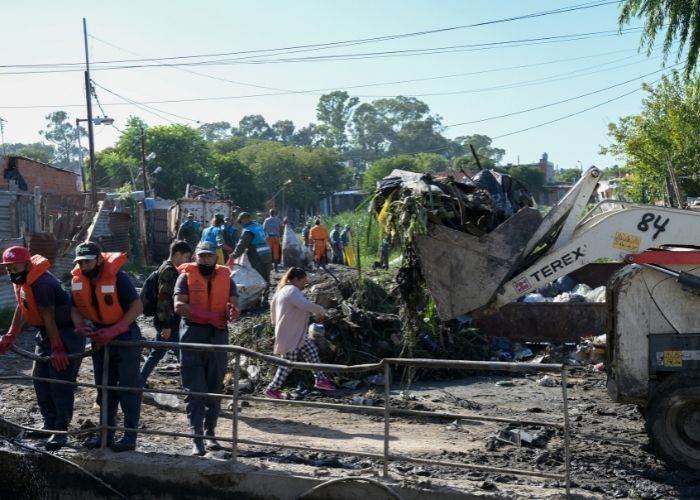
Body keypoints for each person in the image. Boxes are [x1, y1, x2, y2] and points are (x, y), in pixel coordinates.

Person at [0, 246, 86, 451]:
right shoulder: (22, 282)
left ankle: (60, 430)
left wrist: (57, 348)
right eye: (8, 268)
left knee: (60, 382)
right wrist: (11, 334)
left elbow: (49, 316)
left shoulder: (43, 284)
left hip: (65, 334)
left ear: (27, 264)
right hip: (46, 333)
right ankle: (48, 424)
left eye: (14, 267)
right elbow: (23, 308)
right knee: (39, 378)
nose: (11, 271)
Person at [70, 241, 143, 452]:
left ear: (99, 259)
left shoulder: (119, 278)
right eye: (81, 263)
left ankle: (130, 437)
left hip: (125, 336)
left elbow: (137, 307)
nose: (84, 267)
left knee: (128, 387)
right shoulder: (78, 282)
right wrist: (79, 326)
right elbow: (75, 308)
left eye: (88, 262)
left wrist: (115, 330)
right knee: (104, 388)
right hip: (99, 336)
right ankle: (106, 435)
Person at [174, 241, 240, 456]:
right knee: (195, 390)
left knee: (215, 388)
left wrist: (232, 311)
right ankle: (197, 438)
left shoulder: (227, 279)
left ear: (216, 258)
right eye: (201, 256)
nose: (205, 260)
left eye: (209, 256)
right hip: (193, 335)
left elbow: (234, 303)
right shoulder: (184, 277)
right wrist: (208, 316)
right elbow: (179, 307)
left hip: (218, 336)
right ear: (195, 258)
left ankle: (210, 433)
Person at [263, 267, 335, 399]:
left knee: (310, 351)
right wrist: (320, 309)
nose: (304, 284)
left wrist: (276, 326)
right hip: (291, 333)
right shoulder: (291, 290)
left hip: (291, 332)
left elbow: (272, 312)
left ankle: (320, 379)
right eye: (303, 281)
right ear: (296, 279)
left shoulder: (280, 291)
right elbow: (304, 305)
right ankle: (272, 388)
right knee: (288, 363)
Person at [140, 240, 192, 388]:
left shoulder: (165, 267)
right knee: (182, 355)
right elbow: (164, 299)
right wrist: (166, 325)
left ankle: (139, 381)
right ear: (177, 254)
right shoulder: (169, 271)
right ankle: (191, 387)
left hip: (165, 321)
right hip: (168, 322)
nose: (186, 260)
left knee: (157, 353)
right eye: (186, 257)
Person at [231, 211, 273, 304]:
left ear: (244, 220)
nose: (241, 224)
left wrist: (234, 256)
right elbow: (265, 237)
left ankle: (259, 299)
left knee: (258, 277)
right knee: (266, 276)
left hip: (258, 256)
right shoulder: (258, 226)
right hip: (267, 253)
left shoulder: (248, 230)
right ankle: (265, 297)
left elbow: (242, 245)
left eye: (241, 222)